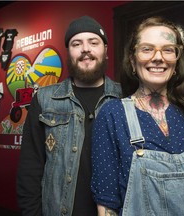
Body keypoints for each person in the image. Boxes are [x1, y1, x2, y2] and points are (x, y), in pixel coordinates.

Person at [91, 16, 184, 216]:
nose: (158, 57)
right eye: (147, 49)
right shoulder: (113, 115)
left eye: (167, 49)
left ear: (176, 61)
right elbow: (107, 204)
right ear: (132, 60)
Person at [17, 15, 121, 216]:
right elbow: (30, 167)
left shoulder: (125, 98)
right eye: (76, 43)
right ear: (68, 53)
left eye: (93, 42)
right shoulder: (44, 99)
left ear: (105, 51)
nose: (85, 49)